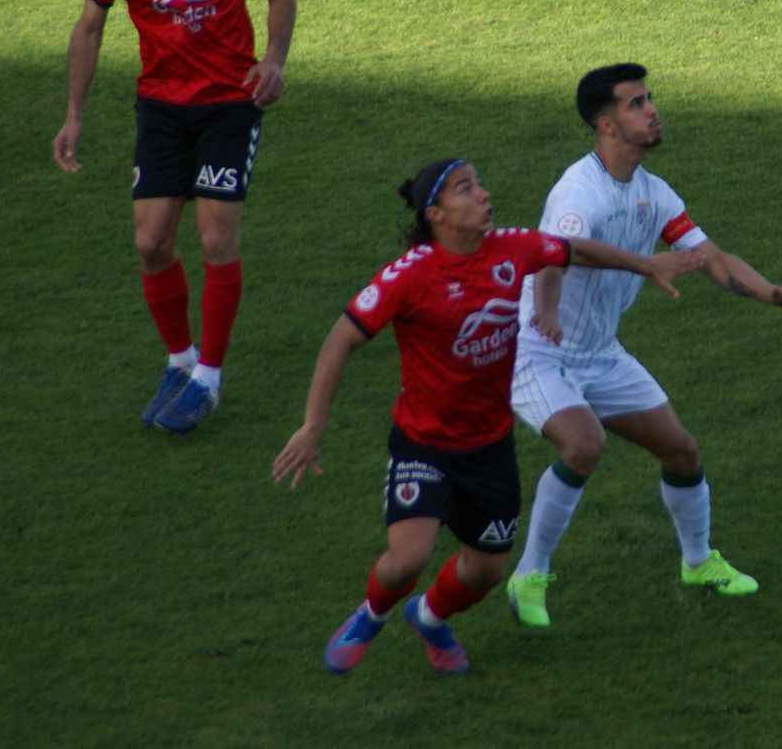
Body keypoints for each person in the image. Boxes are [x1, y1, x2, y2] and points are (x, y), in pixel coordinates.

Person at [271, 158, 701, 675]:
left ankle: (428, 617)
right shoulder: (409, 276)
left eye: (478, 184)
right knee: (408, 558)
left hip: (489, 446)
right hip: (424, 442)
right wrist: (313, 426)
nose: (482, 194)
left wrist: (646, 265)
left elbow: (575, 250)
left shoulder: (511, 248)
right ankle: (371, 614)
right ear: (435, 214)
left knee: (488, 569)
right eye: (464, 189)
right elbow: (340, 339)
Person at [504, 63, 782, 629]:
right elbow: (554, 253)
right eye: (637, 104)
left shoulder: (654, 193)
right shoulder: (579, 191)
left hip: (601, 353)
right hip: (540, 351)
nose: (652, 111)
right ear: (606, 125)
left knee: (681, 451)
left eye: (649, 99)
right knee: (584, 445)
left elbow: (710, 258)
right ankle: (529, 573)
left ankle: (698, 563)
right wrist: (546, 309)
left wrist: (771, 293)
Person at [52, 0, 297, 434]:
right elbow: (89, 28)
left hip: (229, 104)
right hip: (161, 109)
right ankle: (180, 361)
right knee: (151, 244)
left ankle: (208, 378)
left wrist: (272, 61)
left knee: (216, 238)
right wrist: (74, 115)